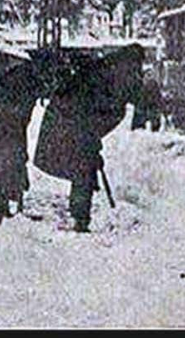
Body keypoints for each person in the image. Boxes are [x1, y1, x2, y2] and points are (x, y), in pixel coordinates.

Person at [34, 45, 144, 232]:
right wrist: (92, 139)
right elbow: (93, 109)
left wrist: (93, 138)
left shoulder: (104, 72)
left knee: (83, 171)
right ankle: (80, 219)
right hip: (70, 125)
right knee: (84, 171)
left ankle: (80, 216)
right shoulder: (105, 76)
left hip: (72, 124)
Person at [0, 52, 58, 224]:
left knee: (7, 165)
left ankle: (2, 206)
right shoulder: (24, 79)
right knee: (4, 164)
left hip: (4, 124)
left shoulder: (28, 76)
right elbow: (12, 110)